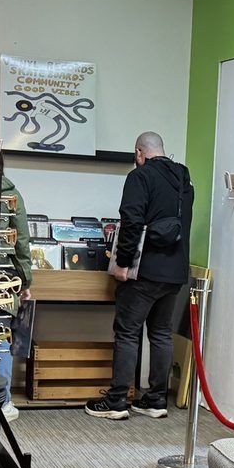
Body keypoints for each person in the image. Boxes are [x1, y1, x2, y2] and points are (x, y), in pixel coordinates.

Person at [85, 131, 193, 421]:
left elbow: (131, 221)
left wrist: (122, 262)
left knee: (128, 331)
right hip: (175, 272)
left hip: (144, 270)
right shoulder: (184, 180)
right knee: (160, 333)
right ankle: (156, 399)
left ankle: (118, 400)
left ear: (138, 154)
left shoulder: (140, 177)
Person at [0, 163, 33, 424]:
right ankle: (2, 402)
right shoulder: (10, 193)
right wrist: (25, 280)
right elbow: (20, 241)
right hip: (1, 278)